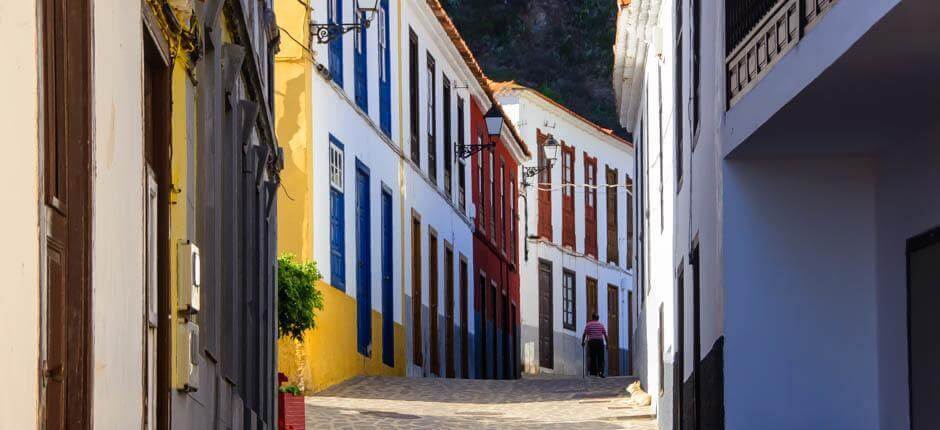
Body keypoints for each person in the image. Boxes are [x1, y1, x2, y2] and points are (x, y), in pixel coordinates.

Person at [581, 313, 608, 377]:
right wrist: (607, 344)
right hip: (600, 342)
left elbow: (584, 334)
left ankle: (593, 373)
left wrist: (583, 342)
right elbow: (605, 335)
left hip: (592, 342)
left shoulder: (588, 325)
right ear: (598, 318)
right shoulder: (601, 325)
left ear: (592, 318)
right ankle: (600, 372)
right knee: (600, 357)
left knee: (592, 357)